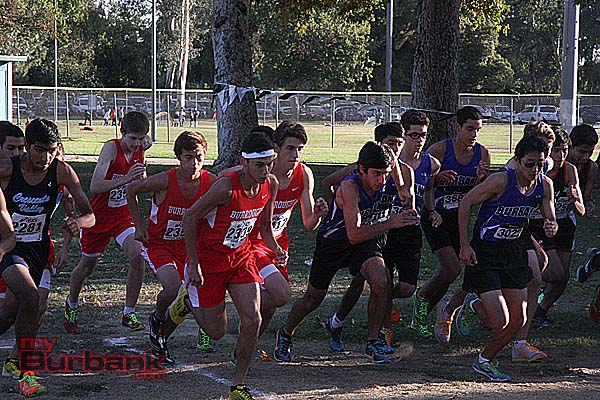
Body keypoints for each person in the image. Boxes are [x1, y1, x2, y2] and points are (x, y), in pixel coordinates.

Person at [274, 141, 419, 365]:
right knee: (313, 298)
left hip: (366, 241)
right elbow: (353, 234)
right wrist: (392, 222)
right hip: (335, 242)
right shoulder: (350, 187)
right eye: (376, 174)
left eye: (386, 174)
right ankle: (285, 334)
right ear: (361, 170)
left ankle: (373, 341)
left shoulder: (389, 176)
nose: (381, 180)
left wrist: (402, 189)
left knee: (381, 281)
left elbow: (394, 165)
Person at [320, 116, 439, 352]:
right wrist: (335, 212)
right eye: (390, 143)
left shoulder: (405, 172)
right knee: (365, 281)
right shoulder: (364, 170)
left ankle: (377, 311)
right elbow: (329, 183)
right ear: (379, 145)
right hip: (372, 231)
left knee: (404, 288)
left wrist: (413, 209)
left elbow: (409, 205)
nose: (395, 149)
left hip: (400, 233)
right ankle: (350, 327)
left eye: (399, 143)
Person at [181, 131, 285, 400]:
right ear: (243, 162)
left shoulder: (270, 184)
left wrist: (275, 249)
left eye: (269, 164)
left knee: (253, 319)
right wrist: (193, 263)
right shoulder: (225, 187)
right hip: (210, 262)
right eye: (259, 165)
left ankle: (238, 386)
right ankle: (188, 301)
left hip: (241, 258)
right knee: (216, 332)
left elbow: (264, 225)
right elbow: (190, 217)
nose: (265, 171)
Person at [0, 118, 95, 396]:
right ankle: (26, 375)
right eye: (40, 150)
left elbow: (90, 215)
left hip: (38, 250)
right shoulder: (7, 169)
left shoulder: (62, 171)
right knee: (31, 298)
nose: (46, 157)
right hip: (10, 246)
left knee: (9, 314)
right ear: (28, 147)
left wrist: (78, 222)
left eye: (52, 150)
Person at [456, 135, 557, 382]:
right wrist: (465, 245)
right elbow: (466, 203)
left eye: (541, 164)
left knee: (518, 319)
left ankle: (484, 361)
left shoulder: (544, 184)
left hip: (514, 254)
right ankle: (473, 305)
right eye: (530, 164)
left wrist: (551, 224)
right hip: (486, 253)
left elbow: (550, 214)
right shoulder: (501, 180)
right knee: (499, 321)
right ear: (517, 161)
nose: (535, 169)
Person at [126, 131, 216, 362]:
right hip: (159, 245)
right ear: (179, 158)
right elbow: (131, 190)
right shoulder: (166, 180)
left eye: (199, 157)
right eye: (188, 157)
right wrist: (138, 226)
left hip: (190, 247)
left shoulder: (211, 182)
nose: (194, 163)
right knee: (173, 286)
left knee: (198, 291)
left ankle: (166, 335)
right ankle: (157, 318)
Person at [412, 106, 491, 342]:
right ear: (457, 127)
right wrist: (437, 178)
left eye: (478, 130)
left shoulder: (482, 154)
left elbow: (481, 194)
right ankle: (422, 299)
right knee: (451, 268)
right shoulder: (440, 149)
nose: (474, 134)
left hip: (460, 218)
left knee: (450, 271)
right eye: (470, 129)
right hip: (435, 215)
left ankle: (425, 310)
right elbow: (420, 179)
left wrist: (481, 180)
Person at [65, 111, 148, 333]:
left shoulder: (141, 148)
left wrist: (141, 179)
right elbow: (95, 186)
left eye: (140, 139)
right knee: (86, 267)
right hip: (98, 218)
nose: (136, 144)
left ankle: (129, 312)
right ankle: (72, 303)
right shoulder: (111, 148)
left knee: (137, 255)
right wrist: (127, 178)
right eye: (132, 138)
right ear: (122, 133)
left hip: (122, 217)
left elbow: (140, 182)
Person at [527, 129, 584, 330]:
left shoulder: (570, 170)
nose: (560, 155)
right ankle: (515, 286)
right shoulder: (536, 171)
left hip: (564, 226)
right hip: (539, 225)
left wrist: (574, 200)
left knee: (562, 278)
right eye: (556, 150)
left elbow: (581, 211)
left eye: (565, 150)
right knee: (555, 274)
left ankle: (539, 311)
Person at [567, 124, 597, 217]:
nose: (586, 157)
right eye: (582, 152)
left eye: (590, 152)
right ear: (571, 146)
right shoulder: (558, 163)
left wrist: (589, 206)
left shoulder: (591, 167)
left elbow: (586, 198)